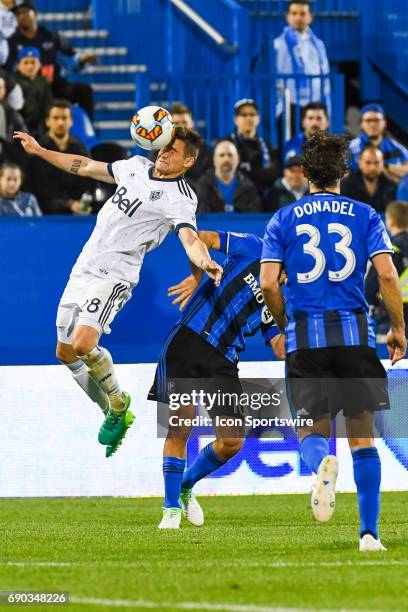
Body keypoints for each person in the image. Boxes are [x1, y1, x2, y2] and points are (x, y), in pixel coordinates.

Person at [14, 126, 223, 458]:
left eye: (173, 151)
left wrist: (205, 263)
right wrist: (40, 151)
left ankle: (118, 400)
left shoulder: (181, 198)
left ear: (188, 161)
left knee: (84, 343)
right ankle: (114, 411)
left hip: (116, 274)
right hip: (84, 265)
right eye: (163, 147)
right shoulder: (135, 167)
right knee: (65, 353)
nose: (164, 153)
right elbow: (83, 166)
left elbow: (189, 238)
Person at [260, 131, 406, 552]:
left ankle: (321, 469)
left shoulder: (283, 219)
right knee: (362, 438)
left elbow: (269, 281)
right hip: (355, 336)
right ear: (344, 171)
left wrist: (284, 320)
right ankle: (369, 534)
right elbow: (386, 275)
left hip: (306, 339)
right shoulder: (366, 214)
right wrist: (397, 328)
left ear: (304, 172)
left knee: (312, 432)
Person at [148, 230, 285, 529]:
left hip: (223, 360)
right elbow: (202, 237)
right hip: (188, 339)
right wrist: (198, 274)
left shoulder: (281, 298)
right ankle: (170, 509)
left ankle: (184, 485)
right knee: (179, 425)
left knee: (232, 441)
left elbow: (278, 344)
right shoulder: (253, 246)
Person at [6, 0, 97, 118]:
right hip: (27, 87)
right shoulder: (12, 41)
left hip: (55, 85)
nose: (21, 16)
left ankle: (87, 131)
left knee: (84, 91)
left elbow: (70, 59)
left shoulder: (51, 36)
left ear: (35, 14)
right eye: (17, 14)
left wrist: (81, 60)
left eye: (25, 12)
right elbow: (8, 69)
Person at [274, 1, 331, 138]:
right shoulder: (279, 44)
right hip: (291, 105)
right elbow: (275, 75)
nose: (298, 18)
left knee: (318, 150)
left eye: (302, 13)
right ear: (287, 17)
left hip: (315, 106)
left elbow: (325, 75)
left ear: (310, 16)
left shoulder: (318, 44)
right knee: (292, 150)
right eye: (294, 13)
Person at [26, 99, 91, 214]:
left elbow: (86, 181)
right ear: (47, 121)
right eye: (55, 118)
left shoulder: (80, 148)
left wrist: (78, 203)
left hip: (77, 207)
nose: (60, 123)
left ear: (71, 121)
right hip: (46, 208)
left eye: (64, 118)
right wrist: (68, 204)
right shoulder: (38, 149)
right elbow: (38, 186)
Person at [366, 201, 408, 339]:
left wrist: (370, 301)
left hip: (391, 315)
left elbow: (373, 283)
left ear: (389, 221)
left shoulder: (388, 248)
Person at [227, 98, 280, 203]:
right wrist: (258, 172)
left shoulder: (269, 147)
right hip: (234, 200)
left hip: (262, 202)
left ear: (258, 118)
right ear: (235, 119)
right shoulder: (226, 144)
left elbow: (273, 175)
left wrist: (247, 171)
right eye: (244, 115)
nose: (249, 118)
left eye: (252, 114)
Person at [196, 139, 261, 213]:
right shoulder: (202, 186)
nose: (226, 159)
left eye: (230, 155)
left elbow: (254, 219)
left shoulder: (249, 188)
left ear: (238, 159)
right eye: (221, 155)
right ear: (214, 159)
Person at [349, 104, 408, 182]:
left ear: (385, 122)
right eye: (368, 120)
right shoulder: (351, 147)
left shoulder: (394, 146)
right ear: (361, 123)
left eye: (377, 120)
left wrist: (386, 166)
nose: (373, 124)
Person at [168, 102, 212, 190]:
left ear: (192, 124)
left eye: (184, 122)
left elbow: (209, 179)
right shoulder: (160, 149)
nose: (180, 126)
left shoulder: (205, 150)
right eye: (176, 123)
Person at [341, 146, 396, 213]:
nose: (373, 168)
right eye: (368, 163)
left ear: (383, 163)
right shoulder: (346, 185)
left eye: (377, 163)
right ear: (360, 163)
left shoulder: (391, 186)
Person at [14, 46, 52, 133]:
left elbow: (48, 104)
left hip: (40, 128)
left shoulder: (43, 81)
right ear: (19, 65)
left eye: (33, 62)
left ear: (39, 64)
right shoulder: (13, 81)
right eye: (26, 63)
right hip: (19, 127)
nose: (30, 66)